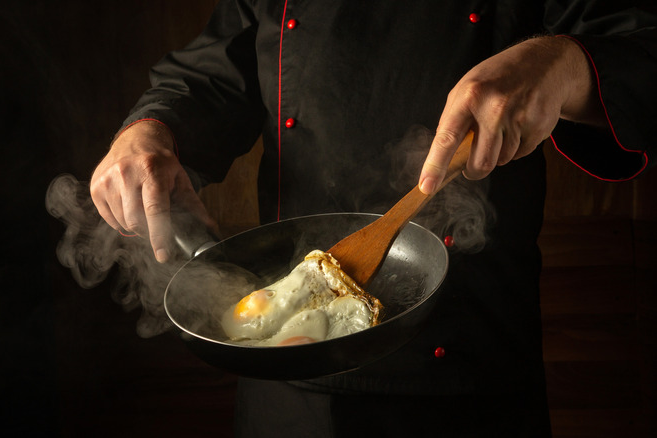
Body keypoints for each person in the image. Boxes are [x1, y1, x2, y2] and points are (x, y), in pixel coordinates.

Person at [90, 1, 657, 436]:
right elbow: (214, 72)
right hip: (288, 390)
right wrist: (151, 128)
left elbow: (645, 47)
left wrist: (565, 63)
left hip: (469, 366)